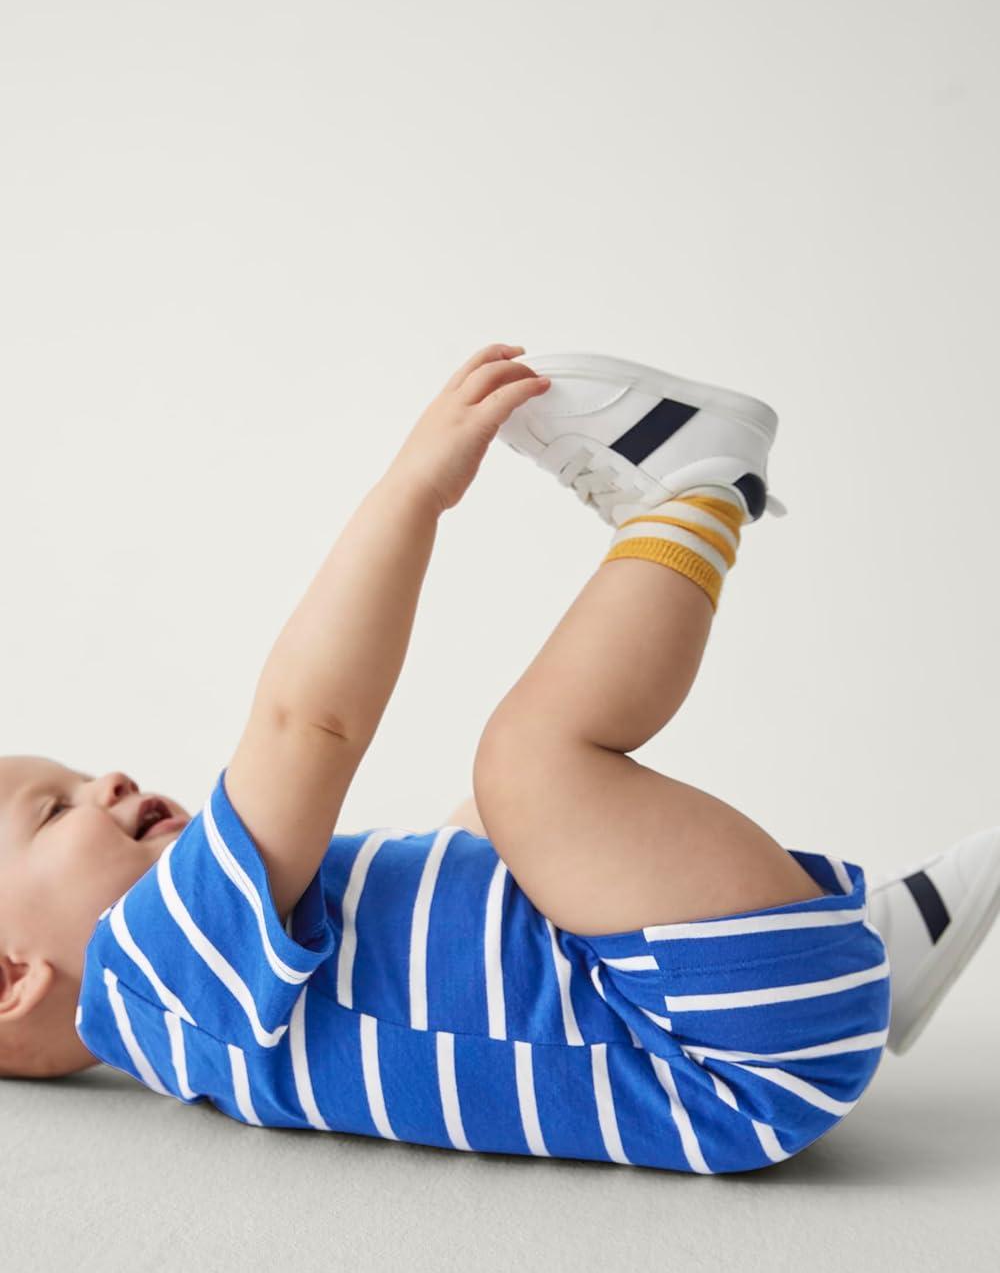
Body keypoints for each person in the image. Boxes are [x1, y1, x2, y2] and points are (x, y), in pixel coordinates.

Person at [1, 344, 996, 1173]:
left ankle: (868, 951)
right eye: (53, 810)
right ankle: (700, 492)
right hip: (723, 1049)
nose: (108, 779)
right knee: (525, 767)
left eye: (78, 774)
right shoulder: (153, 970)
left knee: (490, 835)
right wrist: (411, 494)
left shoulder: (202, 1023)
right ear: (11, 979)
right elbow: (308, 726)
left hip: (720, 1024)